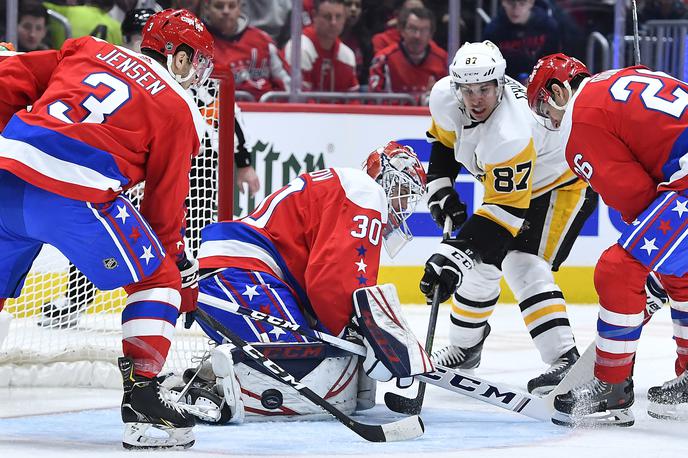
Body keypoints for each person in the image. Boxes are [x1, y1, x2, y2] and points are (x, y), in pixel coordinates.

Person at [0, 9, 214, 448]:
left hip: (7, 173)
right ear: (177, 58)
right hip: (75, 192)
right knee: (157, 278)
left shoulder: (88, 47)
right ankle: (143, 403)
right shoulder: (179, 107)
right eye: (194, 61)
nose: (196, 73)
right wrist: (177, 269)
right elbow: (163, 209)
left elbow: (9, 78)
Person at [179, 142, 433, 422]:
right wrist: (354, 331)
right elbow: (330, 280)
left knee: (325, 359)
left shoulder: (348, 187)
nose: (403, 205)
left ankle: (209, 378)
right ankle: (208, 391)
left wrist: (353, 333)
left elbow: (321, 278)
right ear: (385, 179)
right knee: (305, 365)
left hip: (239, 275)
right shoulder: (366, 191)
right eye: (403, 193)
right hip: (238, 276)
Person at [418, 41, 598, 395]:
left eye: (485, 88)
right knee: (480, 262)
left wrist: (454, 255)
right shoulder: (443, 97)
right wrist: (441, 189)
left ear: (500, 84)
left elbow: (505, 215)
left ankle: (565, 358)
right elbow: (444, 142)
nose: (476, 99)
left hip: (561, 183)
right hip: (514, 188)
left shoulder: (511, 132)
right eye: (467, 90)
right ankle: (465, 346)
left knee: (521, 261)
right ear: (455, 87)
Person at [527, 53, 688, 426]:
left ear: (558, 91)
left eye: (543, 107)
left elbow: (633, 197)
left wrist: (644, 257)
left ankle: (611, 387)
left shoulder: (577, 121)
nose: (549, 119)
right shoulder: (622, 76)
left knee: (618, 269)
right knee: (679, 273)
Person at [202, 0, 291, 101]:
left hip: (265, 112)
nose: (226, 11)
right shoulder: (198, 43)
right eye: (219, 6)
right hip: (217, 112)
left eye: (231, 6)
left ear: (239, 8)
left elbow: (287, 86)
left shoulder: (263, 41)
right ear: (207, 8)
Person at [368, 6, 447, 101]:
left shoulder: (443, 59)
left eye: (424, 30)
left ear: (431, 34)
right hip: (393, 115)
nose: (417, 36)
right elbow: (373, 101)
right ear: (402, 30)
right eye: (412, 29)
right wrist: (419, 100)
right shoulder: (383, 59)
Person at [284, 0, 359, 93]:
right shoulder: (299, 48)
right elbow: (301, 100)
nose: (333, 23)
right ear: (314, 16)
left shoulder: (347, 55)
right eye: (327, 17)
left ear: (344, 19)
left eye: (338, 17)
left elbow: (352, 100)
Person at [483, 0, 561, 84]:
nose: (516, 10)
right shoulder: (493, 30)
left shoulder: (548, 26)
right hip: (506, 82)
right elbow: (488, 65)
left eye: (522, 4)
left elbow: (556, 60)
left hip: (542, 80)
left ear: (531, 3)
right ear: (503, 2)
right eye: (510, 3)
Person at [43, 0, 123, 48]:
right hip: (97, 74)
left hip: (63, 69)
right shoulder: (118, 27)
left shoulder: (68, 12)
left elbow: (37, 5)